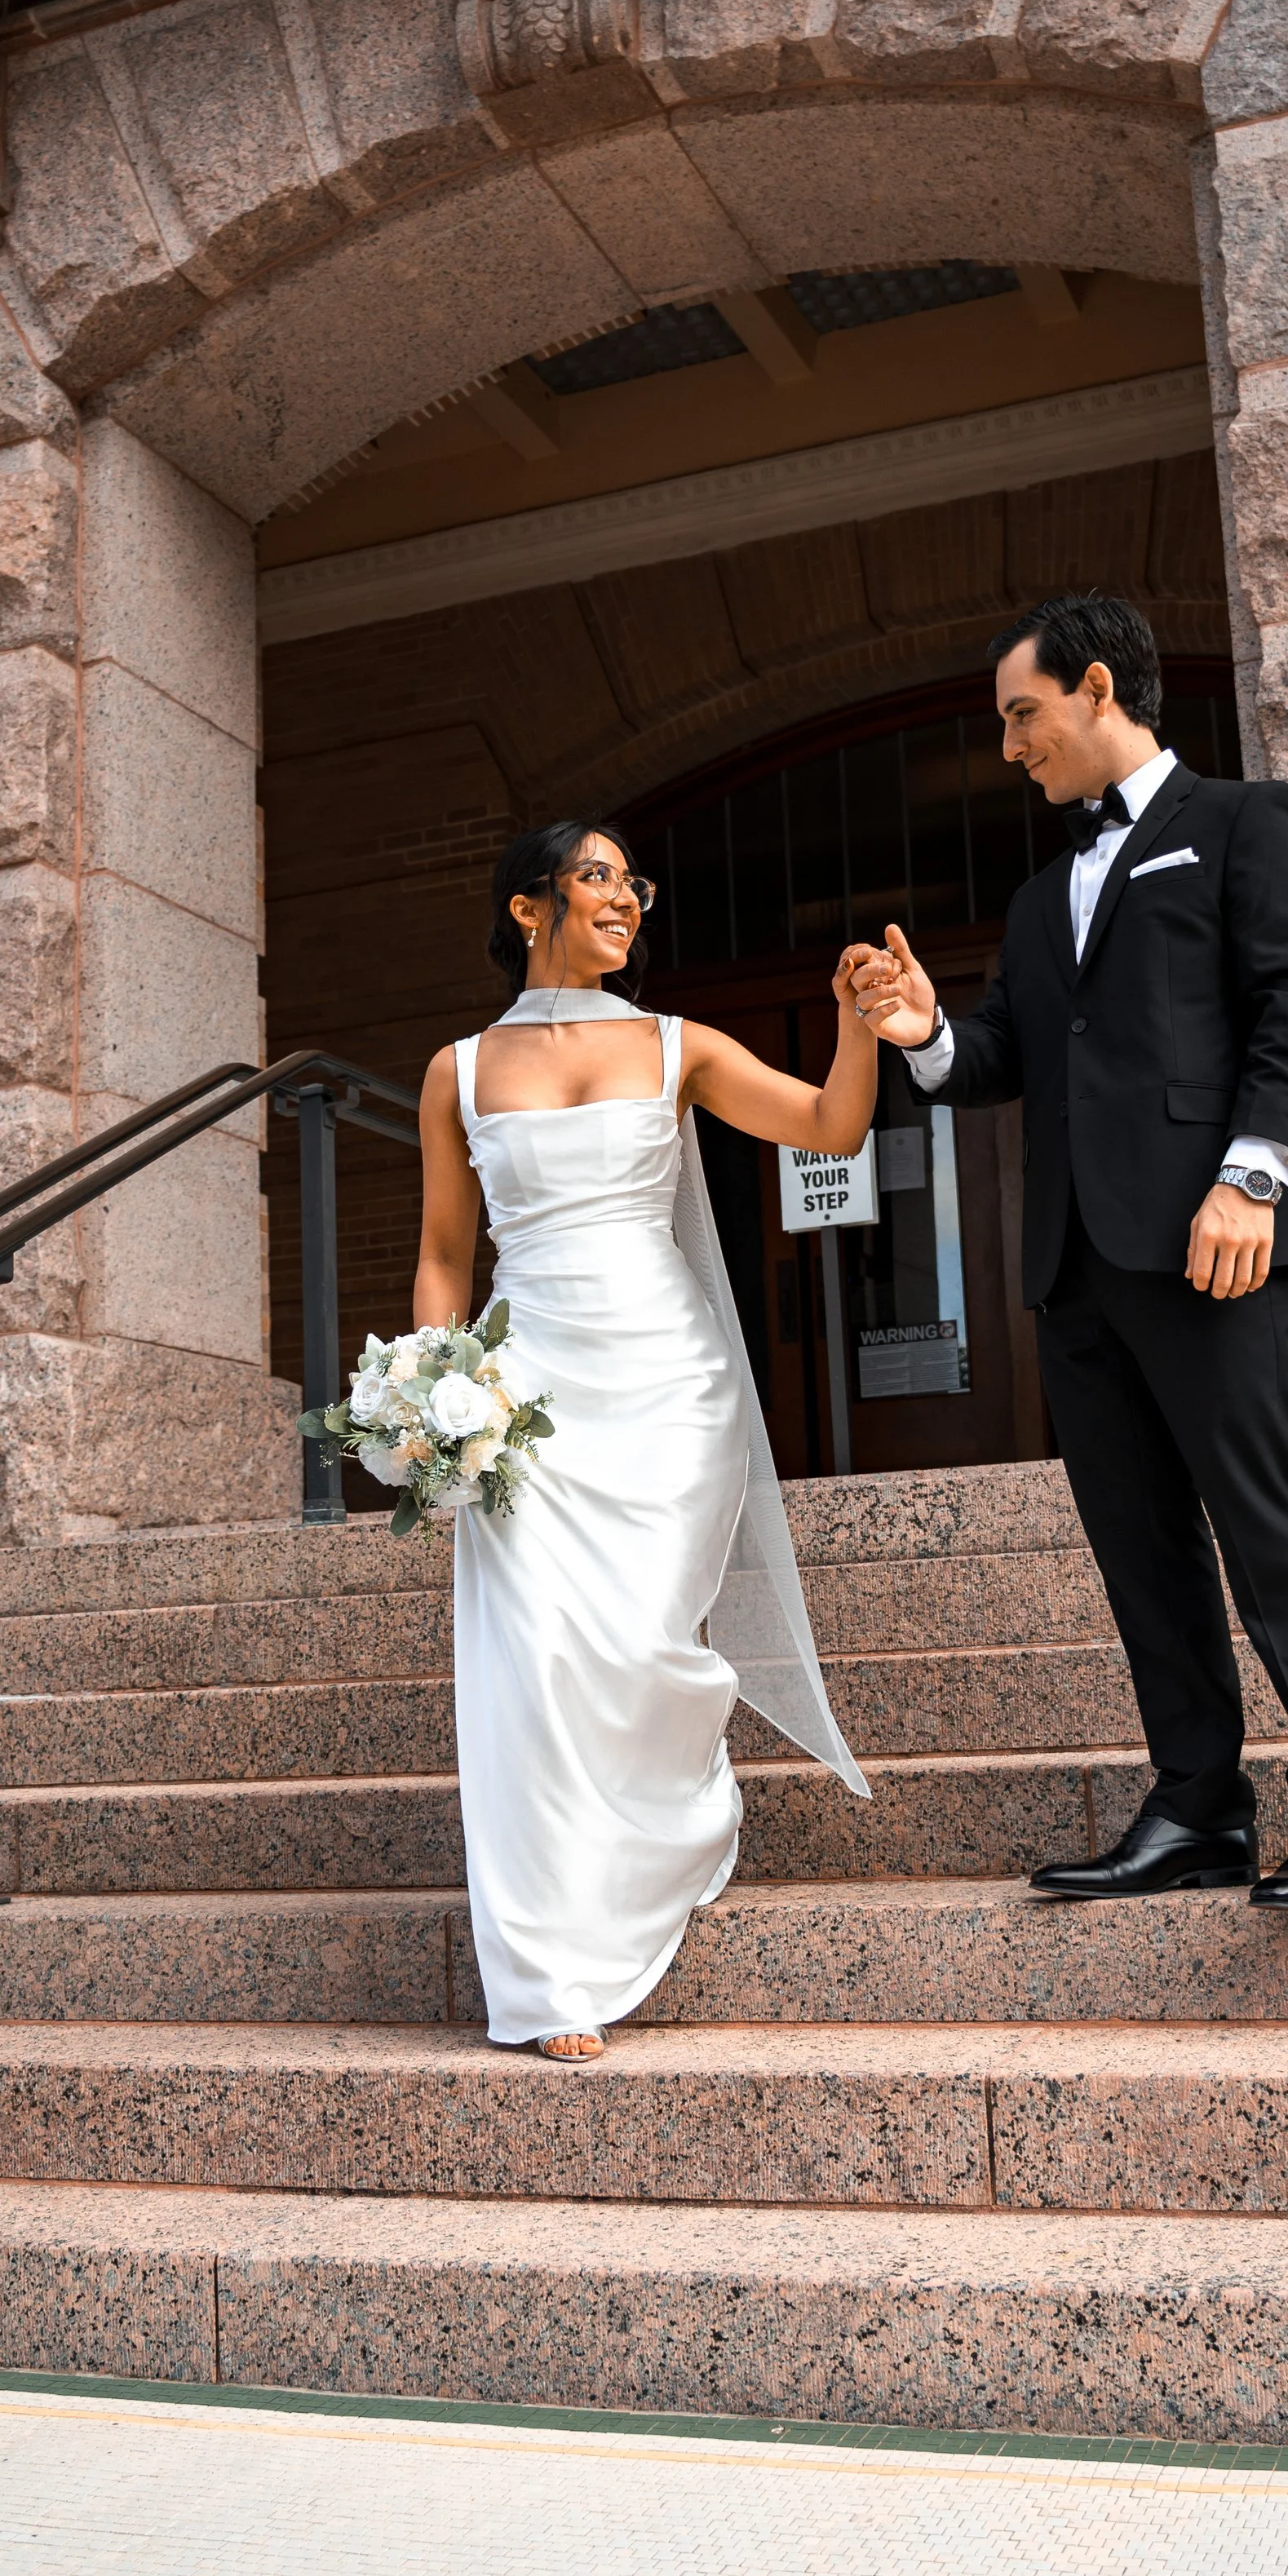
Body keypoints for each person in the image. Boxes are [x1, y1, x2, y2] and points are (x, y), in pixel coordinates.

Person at [850, 592, 1288, 1910]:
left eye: (1021, 716)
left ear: (1099, 688)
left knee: (1265, 1521)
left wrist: (1252, 1180)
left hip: (1212, 1240)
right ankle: (1200, 1807)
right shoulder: (1043, 898)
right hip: (1078, 1273)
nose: (1009, 747)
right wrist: (925, 1028)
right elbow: (1000, 1059)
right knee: (1140, 1548)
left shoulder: (1241, 822)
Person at [415, 821, 874, 2060]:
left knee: (638, 1640)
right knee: (536, 1664)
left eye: (636, 884)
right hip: (524, 1391)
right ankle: (553, 1969)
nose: (628, 901)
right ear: (529, 906)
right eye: (601, 877)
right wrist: (431, 1392)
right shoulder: (455, 1070)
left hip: (671, 1384)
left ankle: (664, 1826)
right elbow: (447, 1257)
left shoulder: (681, 1047)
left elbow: (830, 1127)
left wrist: (854, 1024)